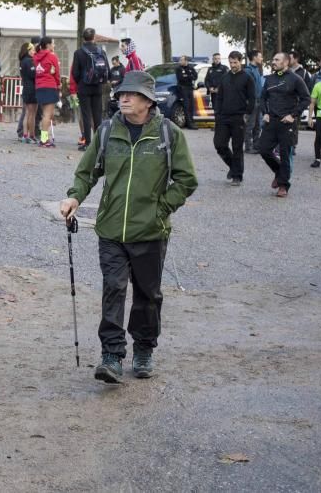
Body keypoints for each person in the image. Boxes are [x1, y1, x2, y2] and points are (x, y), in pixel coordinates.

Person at [60, 70, 197, 383]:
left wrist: (161, 208)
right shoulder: (108, 131)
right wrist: (74, 198)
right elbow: (87, 173)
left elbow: (187, 179)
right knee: (114, 288)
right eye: (121, 93)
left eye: (131, 94)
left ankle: (145, 348)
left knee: (148, 296)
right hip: (111, 231)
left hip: (150, 231)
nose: (123, 98)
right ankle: (111, 354)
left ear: (147, 101)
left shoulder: (168, 133)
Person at [258, 52, 311, 198]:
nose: (273, 62)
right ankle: (279, 172)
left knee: (285, 154)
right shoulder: (269, 79)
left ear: (286, 62)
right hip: (271, 121)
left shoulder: (295, 79)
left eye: (277, 60)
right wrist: (265, 112)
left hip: (287, 123)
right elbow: (262, 98)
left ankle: (283, 185)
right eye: (273, 59)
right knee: (263, 149)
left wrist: (293, 115)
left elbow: (306, 99)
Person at [213, 51, 255, 186]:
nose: (233, 65)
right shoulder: (225, 78)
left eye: (235, 62)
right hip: (223, 117)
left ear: (240, 61)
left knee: (237, 147)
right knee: (219, 144)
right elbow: (219, 97)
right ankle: (233, 166)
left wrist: (247, 114)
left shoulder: (248, 78)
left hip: (239, 117)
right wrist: (217, 114)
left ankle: (237, 176)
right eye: (230, 63)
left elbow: (253, 99)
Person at [70, 29, 110, 150]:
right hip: (97, 86)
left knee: (86, 115)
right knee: (98, 115)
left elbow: (75, 73)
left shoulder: (78, 53)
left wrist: (80, 83)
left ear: (83, 38)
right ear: (94, 38)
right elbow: (107, 70)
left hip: (84, 87)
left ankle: (88, 143)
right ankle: (99, 143)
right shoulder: (101, 52)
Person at [33, 37, 61, 147]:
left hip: (39, 87)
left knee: (46, 114)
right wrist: (58, 84)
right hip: (50, 86)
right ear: (48, 45)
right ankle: (44, 140)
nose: (54, 46)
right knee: (47, 115)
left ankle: (44, 138)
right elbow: (57, 73)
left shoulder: (35, 57)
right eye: (53, 44)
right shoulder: (52, 56)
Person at [244, 49, 265, 153]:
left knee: (258, 125)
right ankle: (248, 147)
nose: (262, 58)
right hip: (252, 102)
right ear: (254, 57)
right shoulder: (248, 71)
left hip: (259, 101)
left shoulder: (257, 69)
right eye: (260, 56)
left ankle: (256, 145)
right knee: (250, 125)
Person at [18, 42, 38, 143]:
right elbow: (33, 74)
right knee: (31, 114)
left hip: (26, 88)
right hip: (31, 89)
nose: (34, 52)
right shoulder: (29, 61)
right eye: (33, 50)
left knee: (28, 113)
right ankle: (30, 135)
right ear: (28, 51)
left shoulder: (22, 61)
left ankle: (26, 135)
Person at [174, 55, 198, 130]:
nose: (180, 61)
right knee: (186, 106)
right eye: (180, 60)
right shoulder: (178, 69)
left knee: (191, 106)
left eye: (181, 60)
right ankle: (189, 123)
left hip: (190, 88)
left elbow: (195, 76)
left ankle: (192, 121)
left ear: (186, 61)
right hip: (183, 89)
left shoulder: (191, 68)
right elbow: (181, 78)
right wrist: (189, 76)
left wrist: (187, 76)